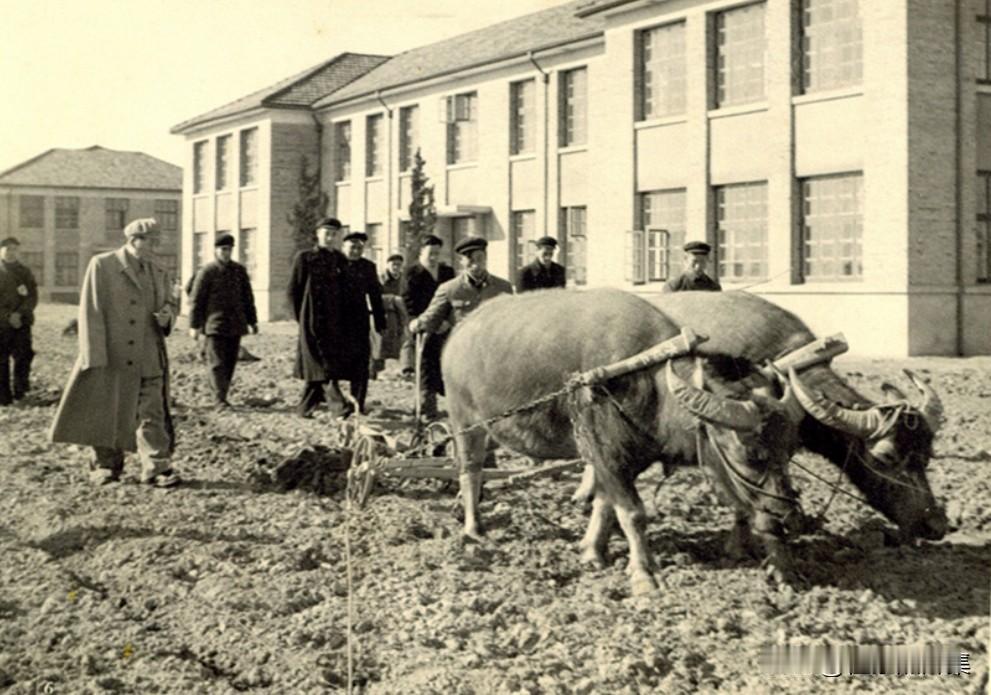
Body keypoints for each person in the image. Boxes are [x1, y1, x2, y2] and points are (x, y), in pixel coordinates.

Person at [49, 218, 182, 488]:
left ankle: (157, 467)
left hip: (148, 354)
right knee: (106, 411)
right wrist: (93, 356)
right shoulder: (103, 265)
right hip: (112, 354)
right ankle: (105, 466)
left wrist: (168, 313)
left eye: (157, 241)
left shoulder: (158, 270)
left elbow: (170, 302)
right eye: (150, 241)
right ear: (133, 240)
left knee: (152, 412)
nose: (155, 247)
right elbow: (91, 311)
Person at [410, 237, 512, 419]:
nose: (475, 264)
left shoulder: (503, 288)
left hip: (493, 354)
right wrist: (419, 323)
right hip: (463, 355)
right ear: (462, 262)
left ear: (486, 258)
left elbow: (514, 320)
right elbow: (432, 316)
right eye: (470, 259)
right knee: (465, 405)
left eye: (479, 258)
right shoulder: (450, 289)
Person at [188, 233, 258, 407]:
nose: (226, 253)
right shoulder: (207, 271)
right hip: (215, 325)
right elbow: (196, 299)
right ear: (215, 251)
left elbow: (247, 297)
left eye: (229, 249)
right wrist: (194, 325)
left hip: (235, 325)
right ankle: (219, 399)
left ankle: (222, 396)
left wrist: (252, 321)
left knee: (229, 363)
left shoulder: (239, 271)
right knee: (217, 363)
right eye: (223, 249)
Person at [400, 235, 455, 419]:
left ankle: (448, 403)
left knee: (444, 363)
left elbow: (452, 298)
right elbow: (408, 301)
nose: (434, 257)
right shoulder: (411, 273)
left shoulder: (447, 272)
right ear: (421, 253)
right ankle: (426, 408)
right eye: (430, 253)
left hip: (443, 326)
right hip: (421, 325)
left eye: (437, 253)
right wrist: (417, 322)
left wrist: (447, 320)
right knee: (424, 366)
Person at [0, 237, 38, 406]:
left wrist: (21, 314)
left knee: (24, 356)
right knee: (1, 359)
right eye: (7, 249)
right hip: (1, 324)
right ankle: (3, 397)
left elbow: (32, 296)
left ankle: (21, 392)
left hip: (22, 323)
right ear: (1, 251)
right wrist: (8, 316)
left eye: (14, 249)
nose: (11, 252)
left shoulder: (25, 272)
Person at [371, 253, 407, 377]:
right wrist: (393, 299)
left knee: (397, 340)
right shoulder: (380, 278)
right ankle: (373, 371)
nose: (396, 267)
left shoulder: (403, 280)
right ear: (387, 265)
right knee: (379, 344)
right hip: (383, 313)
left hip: (398, 315)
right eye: (393, 264)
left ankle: (403, 368)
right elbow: (373, 297)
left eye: (399, 265)